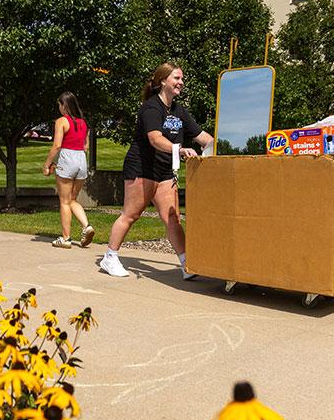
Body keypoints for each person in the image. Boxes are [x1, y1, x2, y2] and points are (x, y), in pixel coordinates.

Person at [99, 62, 214, 279]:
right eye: (176, 78)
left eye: (182, 79)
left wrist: (216, 146)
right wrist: (179, 150)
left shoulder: (179, 111)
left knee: (172, 218)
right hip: (141, 167)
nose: (181, 82)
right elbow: (155, 139)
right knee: (131, 214)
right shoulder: (151, 107)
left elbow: (202, 137)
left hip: (164, 170)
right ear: (163, 81)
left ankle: (186, 263)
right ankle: (110, 257)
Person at [41, 92, 94, 249]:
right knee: (72, 199)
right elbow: (86, 146)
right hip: (81, 159)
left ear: (64, 105)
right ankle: (86, 226)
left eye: (59, 104)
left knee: (64, 201)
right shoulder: (83, 123)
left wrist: (47, 164)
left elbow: (57, 145)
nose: (59, 108)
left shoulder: (61, 121)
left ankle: (65, 238)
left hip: (67, 157)